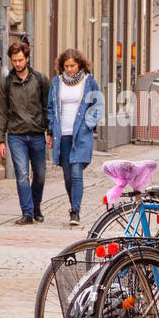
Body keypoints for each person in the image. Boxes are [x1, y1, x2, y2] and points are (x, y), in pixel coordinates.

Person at [0, 41, 51, 225]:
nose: (17, 64)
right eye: (14, 61)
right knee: (22, 174)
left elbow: (47, 107)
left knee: (40, 174)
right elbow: (1, 111)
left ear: (27, 58)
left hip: (36, 134)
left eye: (20, 60)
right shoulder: (6, 83)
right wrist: (0, 140)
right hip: (16, 135)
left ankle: (36, 207)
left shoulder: (40, 80)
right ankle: (27, 213)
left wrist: (49, 130)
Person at [47, 49, 103, 227]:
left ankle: (75, 211)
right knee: (68, 175)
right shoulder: (57, 83)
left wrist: (88, 124)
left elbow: (98, 104)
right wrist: (50, 130)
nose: (69, 69)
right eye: (66, 66)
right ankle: (73, 205)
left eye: (72, 65)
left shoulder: (89, 82)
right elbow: (50, 108)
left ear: (79, 64)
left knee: (77, 172)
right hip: (62, 134)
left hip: (81, 134)